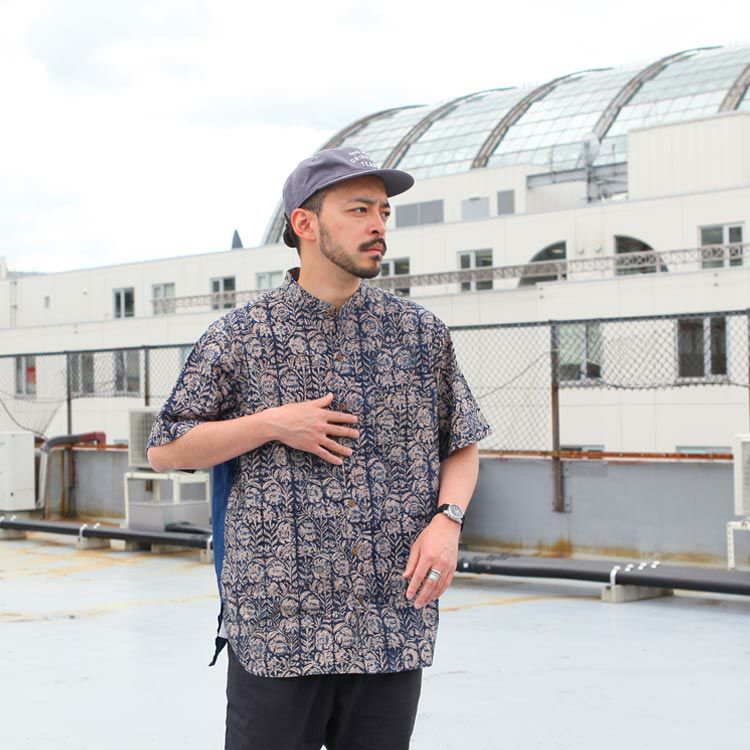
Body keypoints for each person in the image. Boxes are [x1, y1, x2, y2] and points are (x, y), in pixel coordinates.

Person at [146, 146, 491, 749]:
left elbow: (460, 442)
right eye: (359, 210)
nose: (378, 225)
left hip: (389, 623)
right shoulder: (240, 336)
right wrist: (271, 424)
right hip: (279, 627)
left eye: (383, 211)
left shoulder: (420, 333)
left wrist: (448, 521)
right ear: (304, 223)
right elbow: (168, 448)